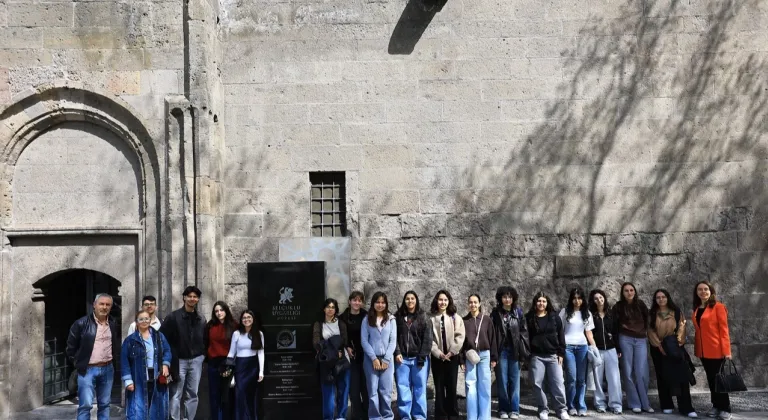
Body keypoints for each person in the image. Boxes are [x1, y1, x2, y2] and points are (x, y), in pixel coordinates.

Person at [66, 293, 121, 420]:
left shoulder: (113, 323)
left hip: (107, 368)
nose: (104, 307)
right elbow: (70, 348)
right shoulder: (81, 324)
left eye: (108, 305)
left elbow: (114, 345)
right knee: (85, 405)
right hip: (87, 370)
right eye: (101, 304)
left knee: (105, 404)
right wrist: (79, 364)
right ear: (94, 305)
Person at [160, 286, 207, 420]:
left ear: (197, 299)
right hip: (178, 361)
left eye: (195, 297)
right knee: (175, 393)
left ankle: (188, 418)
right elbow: (162, 338)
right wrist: (168, 359)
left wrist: (202, 355)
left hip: (196, 360)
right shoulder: (173, 317)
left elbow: (205, 338)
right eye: (190, 296)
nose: (192, 299)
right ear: (184, 298)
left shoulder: (201, 319)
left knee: (192, 393)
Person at [648, 289, 696, 418]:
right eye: (658, 297)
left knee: (682, 377)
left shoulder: (676, 311)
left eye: (663, 297)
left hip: (675, 346)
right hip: (658, 349)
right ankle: (666, 404)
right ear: (655, 300)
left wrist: (678, 342)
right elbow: (650, 331)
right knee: (662, 376)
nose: (661, 299)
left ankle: (686, 407)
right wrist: (659, 346)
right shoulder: (652, 313)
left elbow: (682, 326)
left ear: (668, 298)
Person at [692, 281, 732, 420]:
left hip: (716, 350)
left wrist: (727, 351)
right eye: (700, 289)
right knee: (711, 379)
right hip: (703, 351)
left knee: (719, 380)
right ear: (696, 293)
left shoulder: (718, 307)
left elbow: (724, 330)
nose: (703, 292)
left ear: (711, 291)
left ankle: (725, 408)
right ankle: (716, 405)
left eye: (706, 289)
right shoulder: (697, 308)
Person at [121, 310, 172, 420]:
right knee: (138, 409)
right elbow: (124, 360)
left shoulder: (159, 336)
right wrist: (127, 380)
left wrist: (165, 364)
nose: (144, 321)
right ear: (136, 322)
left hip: (156, 377)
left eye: (146, 319)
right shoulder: (130, 340)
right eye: (141, 319)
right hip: (137, 377)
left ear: (150, 320)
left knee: (156, 408)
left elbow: (167, 350)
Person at [525, 292, 569, 420]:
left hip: (553, 355)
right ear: (535, 302)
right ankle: (543, 409)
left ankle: (561, 410)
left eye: (544, 301)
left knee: (558, 383)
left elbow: (561, 335)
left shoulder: (554, 317)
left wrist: (561, 353)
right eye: (539, 301)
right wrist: (528, 354)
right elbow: (526, 337)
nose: (541, 303)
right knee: (537, 383)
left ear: (547, 303)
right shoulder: (529, 317)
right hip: (537, 356)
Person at [612, 282, 653, 414]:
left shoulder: (640, 304)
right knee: (628, 372)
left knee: (642, 372)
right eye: (626, 291)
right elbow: (614, 325)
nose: (629, 293)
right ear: (622, 293)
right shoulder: (618, 307)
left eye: (631, 290)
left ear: (634, 291)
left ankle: (645, 403)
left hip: (641, 339)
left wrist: (644, 332)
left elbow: (648, 319)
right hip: (625, 339)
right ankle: (634, 403)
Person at [558, 287, 597, 417]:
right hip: (568, 347)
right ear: (571, 299)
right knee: (571, 378)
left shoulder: (587, 313)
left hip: (582, 347)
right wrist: (560, 350)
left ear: (583, 299)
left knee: (581, 379)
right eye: (574, 298)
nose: (577, 301)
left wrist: (594, 348)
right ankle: (570, 405)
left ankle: (581, 405)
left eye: (579, 298)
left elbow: (589, 333)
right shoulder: (564, 312)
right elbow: (560, 331)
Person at [393, 291, 432, 420]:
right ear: (404, 301)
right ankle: (405, 416)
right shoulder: (398, 316)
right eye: (407, 299)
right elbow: (394, 337)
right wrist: (397, 352)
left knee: (419, 389)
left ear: (416, 300)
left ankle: (419, 416)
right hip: (402, 359)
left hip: (418, 359)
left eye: (412, 298)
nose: (410, 301)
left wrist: (422, 357)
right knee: (403, 388)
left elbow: (428, 338)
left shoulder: (423, 316)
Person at [491, 286, 528, 420]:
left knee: (514, 381)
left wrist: (523, 352)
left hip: (515, 351)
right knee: (502, 381)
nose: (507, 299)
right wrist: (493, 354)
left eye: (510, 297)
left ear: (513, 298)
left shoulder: (518, 312)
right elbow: (492, 334)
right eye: (505, 297)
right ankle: (503, 409)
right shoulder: (495, 313)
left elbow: (524, 333)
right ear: (501, 298)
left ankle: (514, 409)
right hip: (501, 352)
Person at [360, 291, 397, 420]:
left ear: (386, 304)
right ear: (373, 303)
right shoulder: (367, 319)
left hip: (387, 360)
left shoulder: (391, 319)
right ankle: (375, 417)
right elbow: (364, 341)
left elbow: (393, 340)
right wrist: (374, 358)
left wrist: (386, 359)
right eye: (377, 302)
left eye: (383, 302)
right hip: (371, 359)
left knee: (386, 391)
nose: (380, 305)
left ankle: (387, 416)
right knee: (372, 391)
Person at [429, 289, 465, 420]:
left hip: (452, 358)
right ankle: (441, 415)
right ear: (436, 301)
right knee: (439, 388)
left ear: (449, 301)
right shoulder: (432, 318)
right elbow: (430, 339)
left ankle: (453, 414)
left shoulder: (456, 317)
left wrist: (451, 352)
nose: (442, 302)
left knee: (451, 386)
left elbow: (460, 336)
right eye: (440, 299)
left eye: (445, 300)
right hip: (437, 358)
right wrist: (438, 353)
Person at [461, 294, 497, 420]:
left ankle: (484, 417)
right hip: (470, 355)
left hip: (485, 355)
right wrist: (461, 360)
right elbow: (461, 342)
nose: (473, 305)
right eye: (470, 302)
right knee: (471, 387)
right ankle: (472, 417)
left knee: (485, 386)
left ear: (479, 304)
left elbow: (492, 339)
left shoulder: (486, 320)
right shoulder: (464, 321)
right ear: (468, 304)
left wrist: (494, 357)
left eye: (475, 302)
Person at [313, 298, 350, 420]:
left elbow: (344, 341)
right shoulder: (319, 324)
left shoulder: (341, 323)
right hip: (327, 362)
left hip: (342, 361)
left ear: (336, 310)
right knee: (328, 393)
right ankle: (328, 417)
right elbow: (316, 342)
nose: (330, 309)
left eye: (333, 307)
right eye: (328, 307)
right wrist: (333, 348)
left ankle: (341, 417)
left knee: (343, 391)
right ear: (324, 309)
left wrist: (328, 343)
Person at [587, 289, 622, 415]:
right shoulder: (591, 315)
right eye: (596, 298)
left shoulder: (611, 313)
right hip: (598, 350)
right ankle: (600, 403)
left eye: (601, 297)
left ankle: (616, 404)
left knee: (614, 378)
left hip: (611, 349)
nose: (599, 300)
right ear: (593, 301)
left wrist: (618, 348)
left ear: (604, 298)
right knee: (598, 379)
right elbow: (588, 332)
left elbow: (616, 332)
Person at [227, 310, 265, 420]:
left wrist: (261, 371)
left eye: (249, 317)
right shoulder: (237, 333)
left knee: (251, 396)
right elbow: (231, 352)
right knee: (239, 395)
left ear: (253, 319)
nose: (246, 320)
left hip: (253, 367)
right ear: (241, 320)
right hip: (240, 367)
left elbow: (261, 353)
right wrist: (228, 368)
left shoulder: (259, 333)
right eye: (244, 318)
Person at [204, 301, 239, 420]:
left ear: (226, 310)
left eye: (221, 310)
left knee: (227, 396)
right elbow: (205, 343)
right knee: (214, 395)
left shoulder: (234, 325)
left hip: (228, 364)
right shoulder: (210, 325)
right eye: (216, 311)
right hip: (213, 363)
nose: (219, 313)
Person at [340, 291, 369, 420]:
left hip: (366, 356)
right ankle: (358, 416)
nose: (357, 303)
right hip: (351, 358)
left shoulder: (367, 316)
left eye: (359, 300)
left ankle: (368, 414)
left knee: (367, 388)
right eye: (354, 300)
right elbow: (340, 337)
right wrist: (346, 346)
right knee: (354, 389)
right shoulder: (343, 318)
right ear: (350, 301)